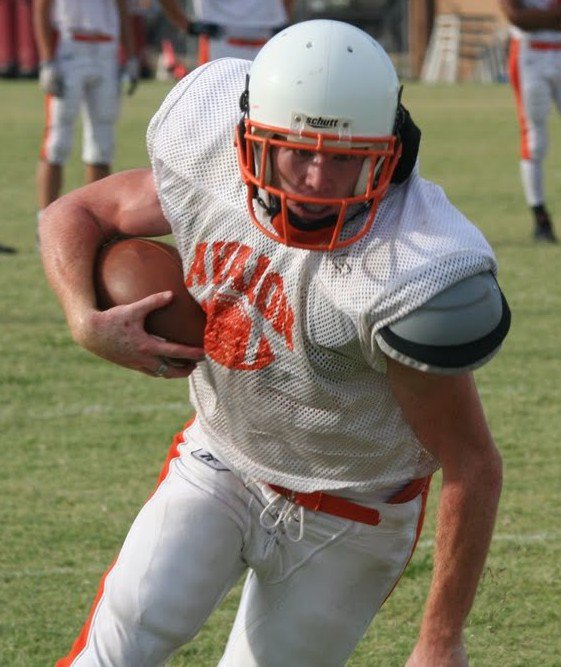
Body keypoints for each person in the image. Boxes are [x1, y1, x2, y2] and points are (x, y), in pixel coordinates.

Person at [40, 20, 511, 667]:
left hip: (352, 515)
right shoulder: (203, 144)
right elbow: (73, 214)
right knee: (113, 650)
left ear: (386, 151)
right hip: (222, 460)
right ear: (247, 137)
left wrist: (438, 638)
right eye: (296, 150)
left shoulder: (411, 266)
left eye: (345, 157)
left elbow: (472, 463)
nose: (317, 179)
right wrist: (83, 318)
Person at [33, 0, 139, 217]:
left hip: (106, 52)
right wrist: (46, 60)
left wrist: (131, 56)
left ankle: (96, 222)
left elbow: (122, 9)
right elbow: (41, 8)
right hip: (69, 46)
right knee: (57, 142)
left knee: (102, 144)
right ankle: (46, 220)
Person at [501, 0, 561, 243]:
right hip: (529, 53)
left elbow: (526, 16)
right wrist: (552, 17)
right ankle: (540, 216)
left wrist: (534, 16)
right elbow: (515, 16)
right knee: (534, 139)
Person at [158, 0, 294, 65]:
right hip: (218, 38)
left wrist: (187, 25)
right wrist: (186, 25)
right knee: (215, 107)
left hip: (268, 37)